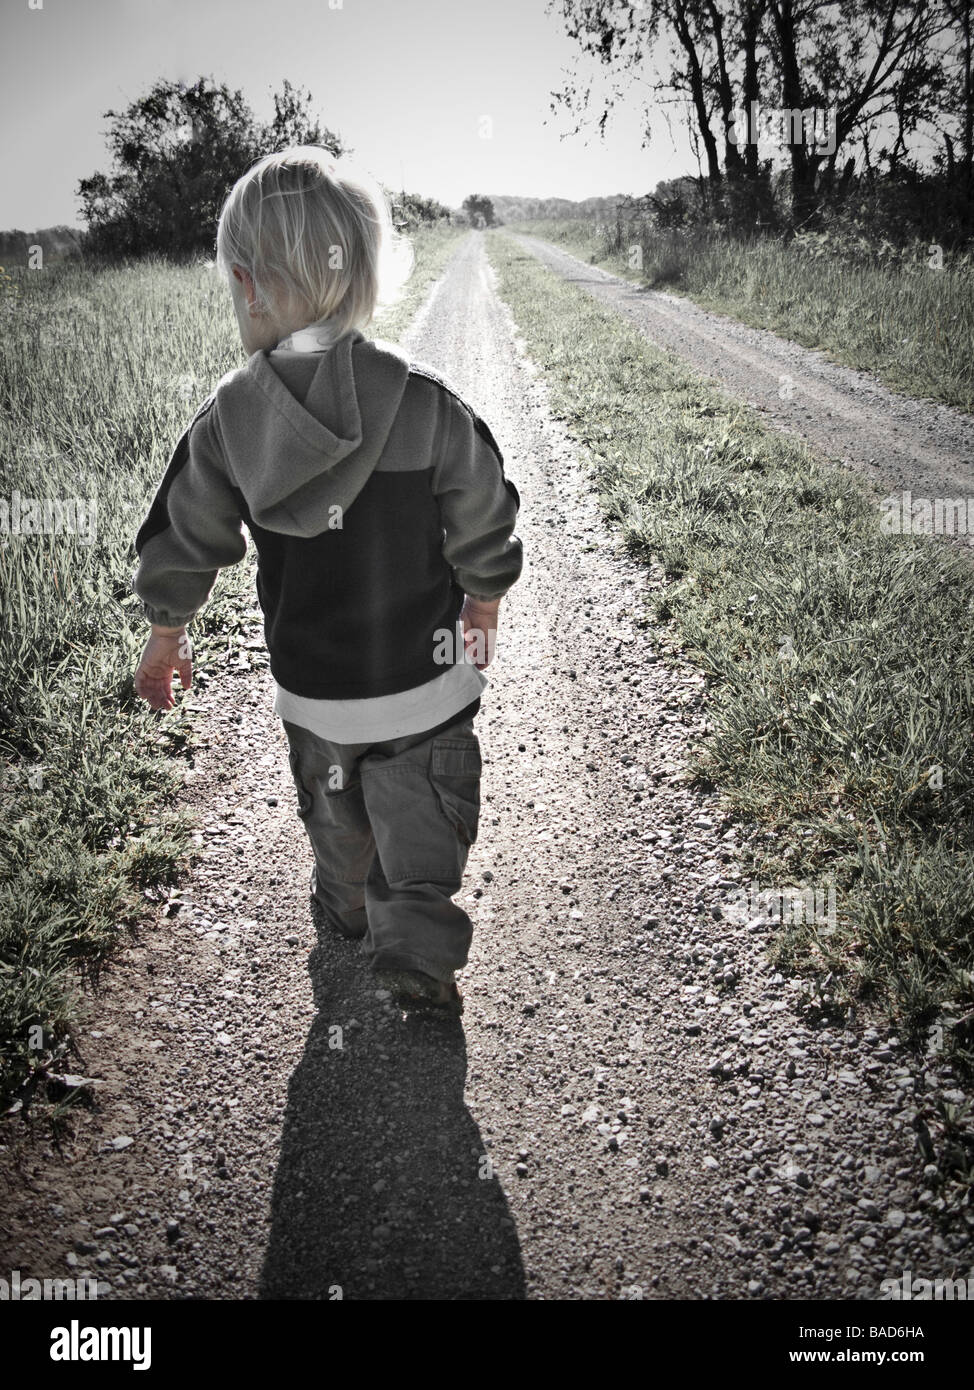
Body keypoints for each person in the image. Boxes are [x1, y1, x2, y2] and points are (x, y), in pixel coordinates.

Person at [132, 147, 523, 1014]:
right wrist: (483, 599)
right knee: (420, 817)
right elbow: (485, 509)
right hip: (424, 683)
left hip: (314, 693)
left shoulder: (230, 422)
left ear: (246, 283)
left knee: (336, 816)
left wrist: (167, 631)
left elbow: (182, 536)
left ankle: (346, 909)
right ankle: (413, 938)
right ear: (368, 272)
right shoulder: (426, 406)